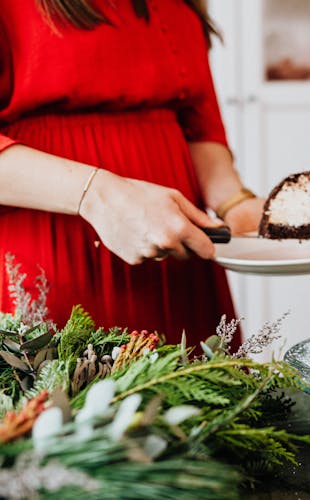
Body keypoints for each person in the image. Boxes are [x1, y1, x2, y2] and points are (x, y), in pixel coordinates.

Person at [0, 0, 263, 346]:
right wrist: (99, 196)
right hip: (52, 264)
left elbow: (199, 129)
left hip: (181, 271)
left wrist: (236, 202)